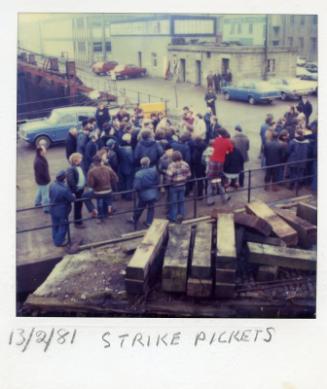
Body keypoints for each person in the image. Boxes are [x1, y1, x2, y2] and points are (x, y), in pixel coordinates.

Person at [66, 152, 97, 228]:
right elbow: (70, 180)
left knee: (79, 206)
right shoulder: (71, 169)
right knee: (77, 207)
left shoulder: (79, 167)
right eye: (80, 158)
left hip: (80, 190)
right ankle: (78, 223)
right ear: (76, 160)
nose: (81, 160)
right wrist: (75, 189)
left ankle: (79, 221)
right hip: (77, 191)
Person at [127, 157, 159, 228]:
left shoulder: (139, 173)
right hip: (153, 192)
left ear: (141, 164)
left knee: (140, 207)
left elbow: (136, 186)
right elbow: (157, 181)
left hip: (143, 194)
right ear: (149, 163)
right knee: (151, 208)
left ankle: (134, 219)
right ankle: (149, 222)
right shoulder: (154, 171)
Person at [87, 155, 119, 222]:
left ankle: (96, 212)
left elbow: (91, 185)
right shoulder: (108, 168)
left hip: (98, 192)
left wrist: (95, 186)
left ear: (93, 163)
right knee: (107, 197)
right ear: (101, 161)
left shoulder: (91, 171)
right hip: (108, 190)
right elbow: (116, 179)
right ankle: (109, 209)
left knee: (85, 196)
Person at [206, 129, 233, 205]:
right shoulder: (228, 141)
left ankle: (210, 200)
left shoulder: (217, 140)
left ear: (220, 134)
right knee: (218, 180)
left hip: (213, 162)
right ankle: (224, 197)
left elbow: (213, 145)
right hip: (220, 163)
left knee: (210, 181)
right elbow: (230, 150)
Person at [49, 170, 75, 247]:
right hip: (62, 210)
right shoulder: (64, 189)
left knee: (55, 225)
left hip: (53, 208)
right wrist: (73, 195)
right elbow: (72, 199)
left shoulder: (52, 184)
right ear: (64, 179)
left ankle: (55, 238)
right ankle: (59, 241)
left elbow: (50, 195)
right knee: (63, 226)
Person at [166, 151, 191, 223]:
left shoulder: (171, 165)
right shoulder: (185, 164)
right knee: (181, 201)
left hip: (174, 186)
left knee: (174, 203)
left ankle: (173, 217)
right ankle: (182, 215)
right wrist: (185, 179)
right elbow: (189, 175)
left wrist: (169, 183)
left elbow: (169, 177)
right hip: (183, 185)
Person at [117, 133, 135, 200]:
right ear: (127, 140)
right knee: (128, 182)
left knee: (123, 182)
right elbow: (131, 160)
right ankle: (128, 196)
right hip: (128, 168)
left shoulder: (119, 147)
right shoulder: (129, 149)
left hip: (121, 167)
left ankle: (123, 195)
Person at [34, 145, 51, 213]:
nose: (46, 150)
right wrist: (47, 179)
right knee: (45, 195)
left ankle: (37, 203)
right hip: (43, 181)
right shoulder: (39, 161)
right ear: (41, 151)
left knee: (40, 191)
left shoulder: (40, 158)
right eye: (44, 149)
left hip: (39, 181)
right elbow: (41, 173)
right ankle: (46, 209)